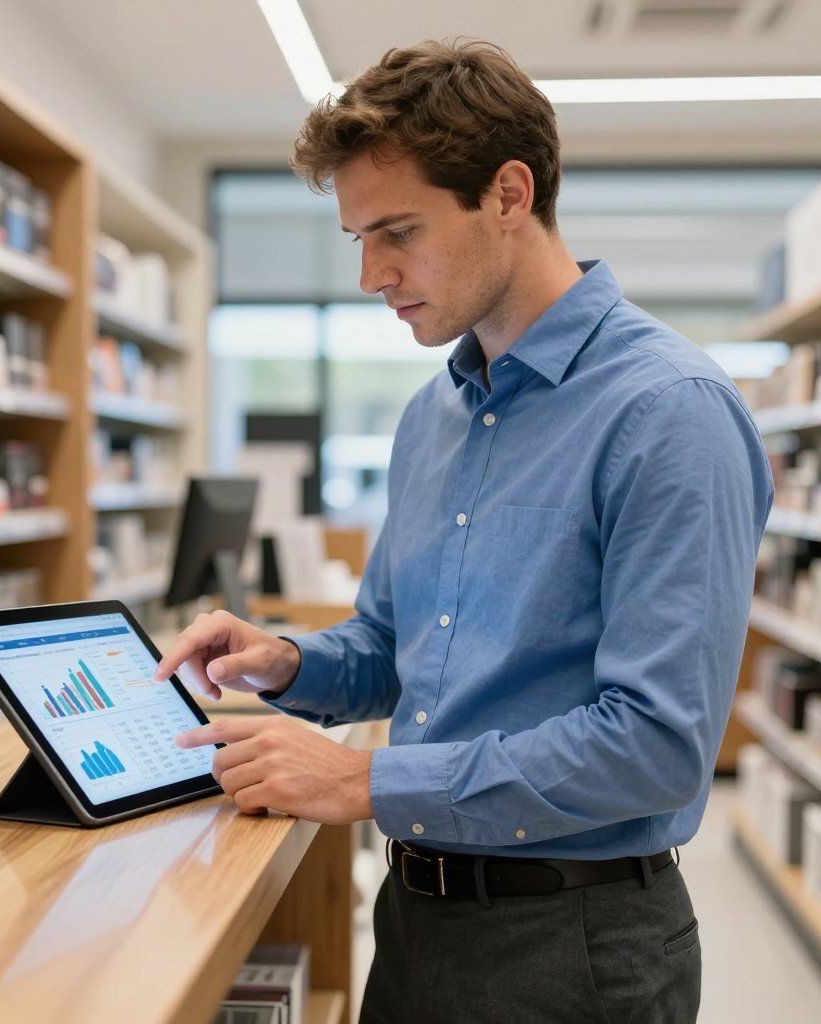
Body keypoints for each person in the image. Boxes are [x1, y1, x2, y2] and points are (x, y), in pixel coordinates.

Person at [153, 39, 773, 1024]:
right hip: (412, 923)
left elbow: (655, 745)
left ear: (508, 194)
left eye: (396, 229)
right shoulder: (432, 416)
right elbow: (398, 651)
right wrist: (283, 661)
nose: (369, 273)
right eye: (357, 235)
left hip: (573, 946)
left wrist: (367, 778)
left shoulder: (668, 412)